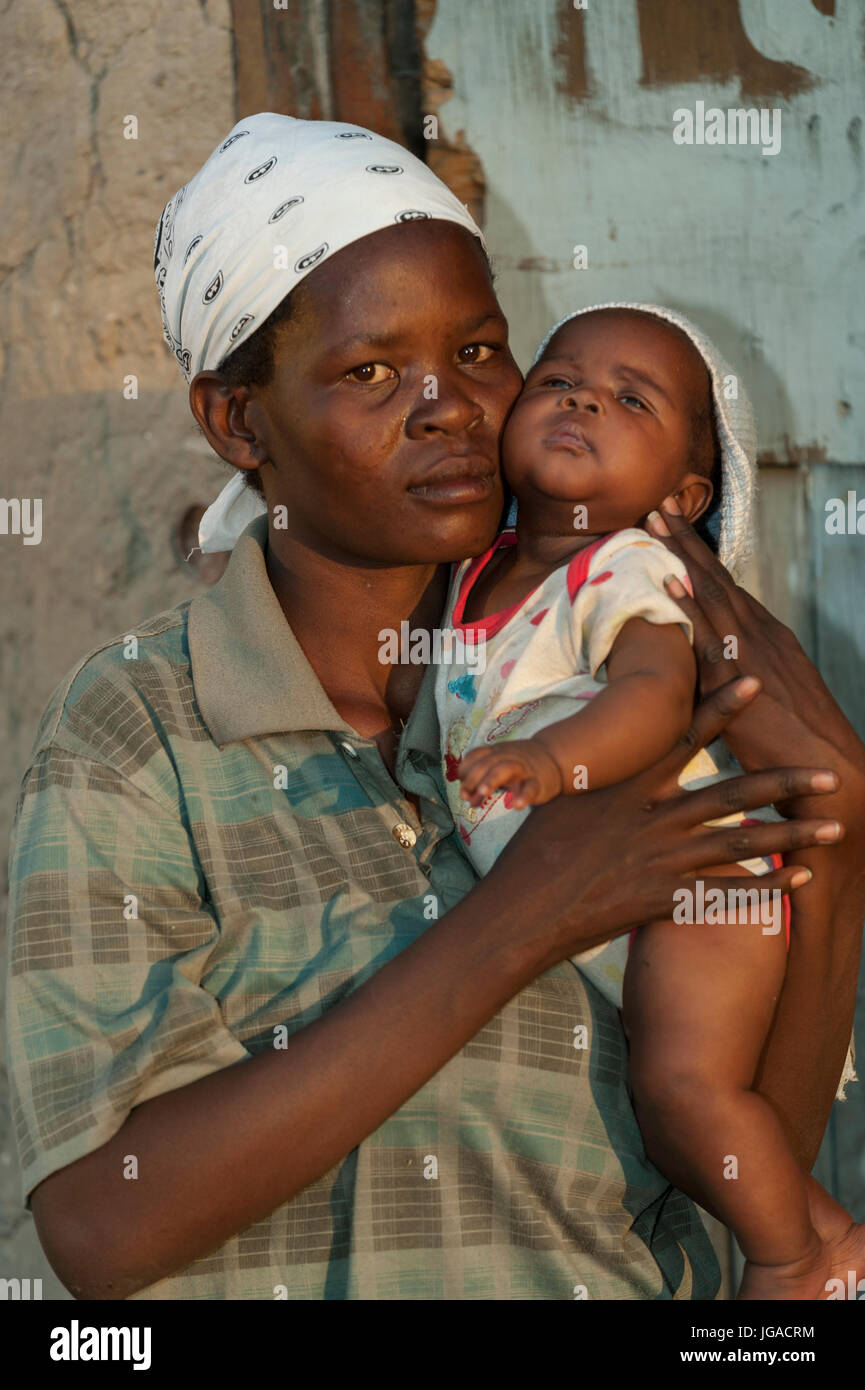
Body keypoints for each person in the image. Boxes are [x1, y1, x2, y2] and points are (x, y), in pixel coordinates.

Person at [6, 114, 865, 1302]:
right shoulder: (138, 732)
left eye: (477, 352)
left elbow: (734, 1146)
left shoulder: (616, 678)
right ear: (237, 421)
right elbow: (104, 1230)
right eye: (369, 371)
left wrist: (840, 843)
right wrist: (520, 918)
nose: (448, 409)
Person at [435, 301, 859, 1298]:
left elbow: (652, 695)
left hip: (698, 887)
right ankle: (828, 1236)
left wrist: (551, 763)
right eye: (558, 379)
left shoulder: (626, 566)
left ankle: (793, 1258)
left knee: (682, 1091)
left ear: (684, 491)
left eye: (631, 398)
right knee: (679, 1110)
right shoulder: (475, 575)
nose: (584, 396)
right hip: (622, 899)